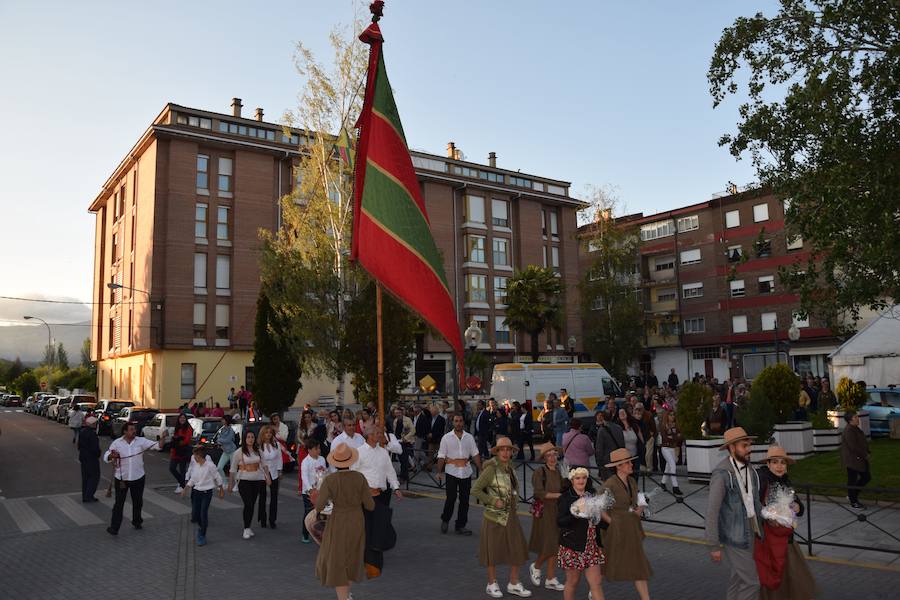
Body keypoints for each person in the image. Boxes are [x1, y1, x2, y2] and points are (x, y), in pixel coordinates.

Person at [705, 427, 763, 600]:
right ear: (732, 448)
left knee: (738, 577)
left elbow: (753, 501)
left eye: (749, 445)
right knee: (753, 582)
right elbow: (712, 510)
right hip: (735, 535)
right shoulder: (722, 474)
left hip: (751, 530)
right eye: (744, 446)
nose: (749, 449)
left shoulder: (750, 469)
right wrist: (713, 544)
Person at [754, 446, 819, 599]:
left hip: (787, 539)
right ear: (768, 464)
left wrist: (798, 507)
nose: (779, 466)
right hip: (768, 540)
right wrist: (768, 517)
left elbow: (798, 505)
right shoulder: (762, 481)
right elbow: (755, 507)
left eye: (783, 463)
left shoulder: (786, 482)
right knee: (772, 571)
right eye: (775, 462)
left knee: (790, 573)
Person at [471, 436, 532, 598]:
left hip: (511, 515)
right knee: (493, 550)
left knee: (517, 548)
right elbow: (475, 489)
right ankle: (492, 584)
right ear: (497, 452)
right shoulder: (491, 469)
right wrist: (492, 500)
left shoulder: (510, 468)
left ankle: (513, 582)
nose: (505, 452)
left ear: (512, 452)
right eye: (502, 450)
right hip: (494, 517)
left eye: (508, 450)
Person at [315, 443, 375, 600]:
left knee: (337, 559)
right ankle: (347, 595)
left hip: (338, 520)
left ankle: (343, 598)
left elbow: (319, 506)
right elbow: (370, 505)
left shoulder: (330, 480)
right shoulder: (360, 478)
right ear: (351, 461)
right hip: (356, 520)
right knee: (352, 557)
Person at [602, 448, 652, 599]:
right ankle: (595, 587)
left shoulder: (631, 481)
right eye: (628, 462)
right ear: (618, 466)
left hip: (632, 528)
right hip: (616, 531)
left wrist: (640, 508)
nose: (631, 464)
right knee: (610, 563)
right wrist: (613, 522)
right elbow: (600, 509)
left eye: (631, 461)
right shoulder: (609, 484)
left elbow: (636, 501)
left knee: (638, 564)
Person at [103, 422, 167, 535]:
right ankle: (114, 527)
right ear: (125, 431)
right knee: (119, 504)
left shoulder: (141, 441)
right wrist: (111, 456)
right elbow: (106, 456)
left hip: (138, 477)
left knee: (137, 502)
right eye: (131, 429)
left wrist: (163, 437)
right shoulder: (117, 443)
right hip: (122, 479)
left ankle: (137, 522)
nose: (134, 431)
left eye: (134, 429)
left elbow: (158, 446)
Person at [556, 467, 605, 600]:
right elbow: (560, 522)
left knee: (596, 583)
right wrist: (575, 513)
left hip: (591, 545)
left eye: (584, 477)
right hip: (572, 546)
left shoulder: (592, 495)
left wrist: (610, 523)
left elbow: (598, 521)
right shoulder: (565, 497)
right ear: (572, 480)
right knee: (573, 582)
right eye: (577, 478)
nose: (581, 480)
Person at [436, 414, 482, 535]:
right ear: (452, 423)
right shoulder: (446, 438)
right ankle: (445, 520)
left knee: (465, 500)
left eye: (460, 421)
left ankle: (460, 525)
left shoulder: (469, 438)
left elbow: (475, 454)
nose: (458, 423)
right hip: (451, 471)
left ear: (463, 422)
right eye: (456, 421)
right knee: (451, 498)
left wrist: (481, 469)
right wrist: (439, 471)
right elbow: (441, 455)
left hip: (466, 472)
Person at [528, 446, 565, 592]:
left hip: (558, 511)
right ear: (544, 458)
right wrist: (559, 496)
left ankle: (551, 578)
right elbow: (539, 493)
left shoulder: (559, 472)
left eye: (554, 454)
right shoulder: (540, 472)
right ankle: (536, 566)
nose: (552, 457)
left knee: (556, 545)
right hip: (545, 512)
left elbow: (564, 488)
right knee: (550, 543)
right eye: (548, 455)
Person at [229, 429, 271, 540]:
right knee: (248, 504)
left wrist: (268, 477)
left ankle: (248, 526)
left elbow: (264, 464)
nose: (250, 439)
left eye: (252, 437)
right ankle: (246, 528)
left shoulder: (258, 451)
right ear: (244, 438)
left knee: (252, 504)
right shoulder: (239, 452)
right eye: (248, 437)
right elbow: (232, 469)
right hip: (244, 480)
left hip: (257, 480)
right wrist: (230, 483)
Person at [180, 446, 224, 546]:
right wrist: (185, 489)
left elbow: (217, 476)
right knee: (196, 514)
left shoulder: (210, 466)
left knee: (203, 513)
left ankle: (202, 534)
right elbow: (193, 480)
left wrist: (221, 489)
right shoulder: (196, 466)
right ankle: (201, 527)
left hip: (207, 493)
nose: (194, 457)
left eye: (195, 455)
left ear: (199, 456)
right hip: (196, 493)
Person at [353, 425, 403, 505]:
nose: (380, 435)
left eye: (380, 433)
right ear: (369, 435)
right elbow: (353, 473)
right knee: (367, 517)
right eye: (378, 433)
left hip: (382, 494)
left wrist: (396, 488)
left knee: (382, 517)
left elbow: (390, 471)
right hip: (365, 495)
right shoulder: (358, 452)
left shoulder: (383, 452)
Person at [300, 439, 330, 543]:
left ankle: (320, 532)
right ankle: (305, 533)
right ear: (309, 450)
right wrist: (310, 490)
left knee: (322, 512)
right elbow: (304, 477)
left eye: (319, 448)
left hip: (320, 490)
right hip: (309, 492)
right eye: (316, 449)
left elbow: (325, 472)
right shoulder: (306, 462)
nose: (318, 450)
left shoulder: (321, 459)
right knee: (309, 512)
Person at [840, 410, 871, 510]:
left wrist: (867, 451)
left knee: (866, 477)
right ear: (850, 420)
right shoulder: (849, 430)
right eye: (855, 417)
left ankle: (852, 495)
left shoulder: (855, 428)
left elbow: (861, 442)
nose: (858, 419)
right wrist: (865, 454)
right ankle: (853, 501)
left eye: (857, 417)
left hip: (859, 458)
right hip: (853, 460)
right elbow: (853, 447)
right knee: (853, 480)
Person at [258, 425, 283, 529]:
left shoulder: (276, 445)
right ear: (263, 434)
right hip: (262, 474)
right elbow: (258, 462)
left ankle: (272, 520)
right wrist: (264, 474)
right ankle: (263, 519)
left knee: (274, 498)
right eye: (266, 432)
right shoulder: (259, 446)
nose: (268, 434)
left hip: (274, 473)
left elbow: (279, 458)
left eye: (270, 432)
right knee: (262, 498)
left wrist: (279, 470)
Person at [594, 411, 625, 481]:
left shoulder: (601, 430)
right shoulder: (619, 428)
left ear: (603, 418)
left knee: (609, 484)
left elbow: (599, 449)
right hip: (619, 459)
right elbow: (622, 444)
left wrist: (599, 463)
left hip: (607, 461)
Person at [658, 411, 683, 495]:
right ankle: (675, 487)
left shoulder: (676, 425)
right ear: (667, 416)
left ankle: (663, 483)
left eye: (673, 415)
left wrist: (673, 437)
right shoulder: (663, 426)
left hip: (672, 448)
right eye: (670, 415)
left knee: (668, 466)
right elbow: (665, 438)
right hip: (665, 448)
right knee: (672, 465)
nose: (672, 416)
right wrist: (675, 437)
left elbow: (680, 436)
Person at [78, 415, 101, 502]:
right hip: (91, 458)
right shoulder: (92, 434)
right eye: (95, 423)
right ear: (92, 424)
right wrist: (98, 453)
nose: (96, 425)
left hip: (83, 457)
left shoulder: (82, 431)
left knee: (85, 477)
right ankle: (89, 495)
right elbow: (95, 448)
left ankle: (85, 495)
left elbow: (79, 445)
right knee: (94, 477)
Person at [169, 413, 193, 494]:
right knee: (172, 468)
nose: (182, 419)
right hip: (175, 451)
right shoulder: (177, 428)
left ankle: (182, 486)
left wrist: (177, 442)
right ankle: (182, 482)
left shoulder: (188, 428)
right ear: (178, 419)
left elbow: (187, 440)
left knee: (182, 470)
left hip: (183, 451)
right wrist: (174, 444)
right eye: (180, 418)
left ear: (186, 419)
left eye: (184, 418)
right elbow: (174, 438)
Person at [391, 405, 415, 482]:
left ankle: (403, 477)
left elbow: (413, 431)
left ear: (402, 413)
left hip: (406, 442)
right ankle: (405, 476)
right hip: (398, 442)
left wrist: (405, 438)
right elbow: (395, 431)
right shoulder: (395, 421)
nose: (397, 414)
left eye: (399, 413)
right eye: (396, 413)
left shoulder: (407, 420)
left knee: (404, 460)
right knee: (402, 460)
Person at [633, 403, 657, 472]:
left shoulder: (648, 415)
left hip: (648, 438)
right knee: (641, 454)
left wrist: (652, 436)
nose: (638, 411)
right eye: (636, 409)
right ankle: (643, 469)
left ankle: (649, 469)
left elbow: (653, 428)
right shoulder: (633, 418)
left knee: (648, 455)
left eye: (640, 409)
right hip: (640, 439)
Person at [213, 415, 237, 480]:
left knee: (233, 469)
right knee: (219, 468)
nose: (222, 420)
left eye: (223, 419)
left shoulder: (231, 430)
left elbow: (228, 440)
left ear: (226, 421)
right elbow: (219, 438)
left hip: (232, 451)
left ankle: (236, 485)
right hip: (225, 451)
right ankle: (224, 483)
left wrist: (219, 440)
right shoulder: (222, 429)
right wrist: (219, 441)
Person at [426, 403, 446, 471]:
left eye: (432, 411)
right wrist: (428, 433)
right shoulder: (429, 418)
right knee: (430, 453)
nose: (431, 412)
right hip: (431, 440)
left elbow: (441, 430)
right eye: (431, 410)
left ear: (437, 411)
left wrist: (433, 434)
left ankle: (441, 467)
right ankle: (429, 467)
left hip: (438, 440)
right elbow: (428, 427)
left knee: (441, 454)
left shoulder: (441, 419)